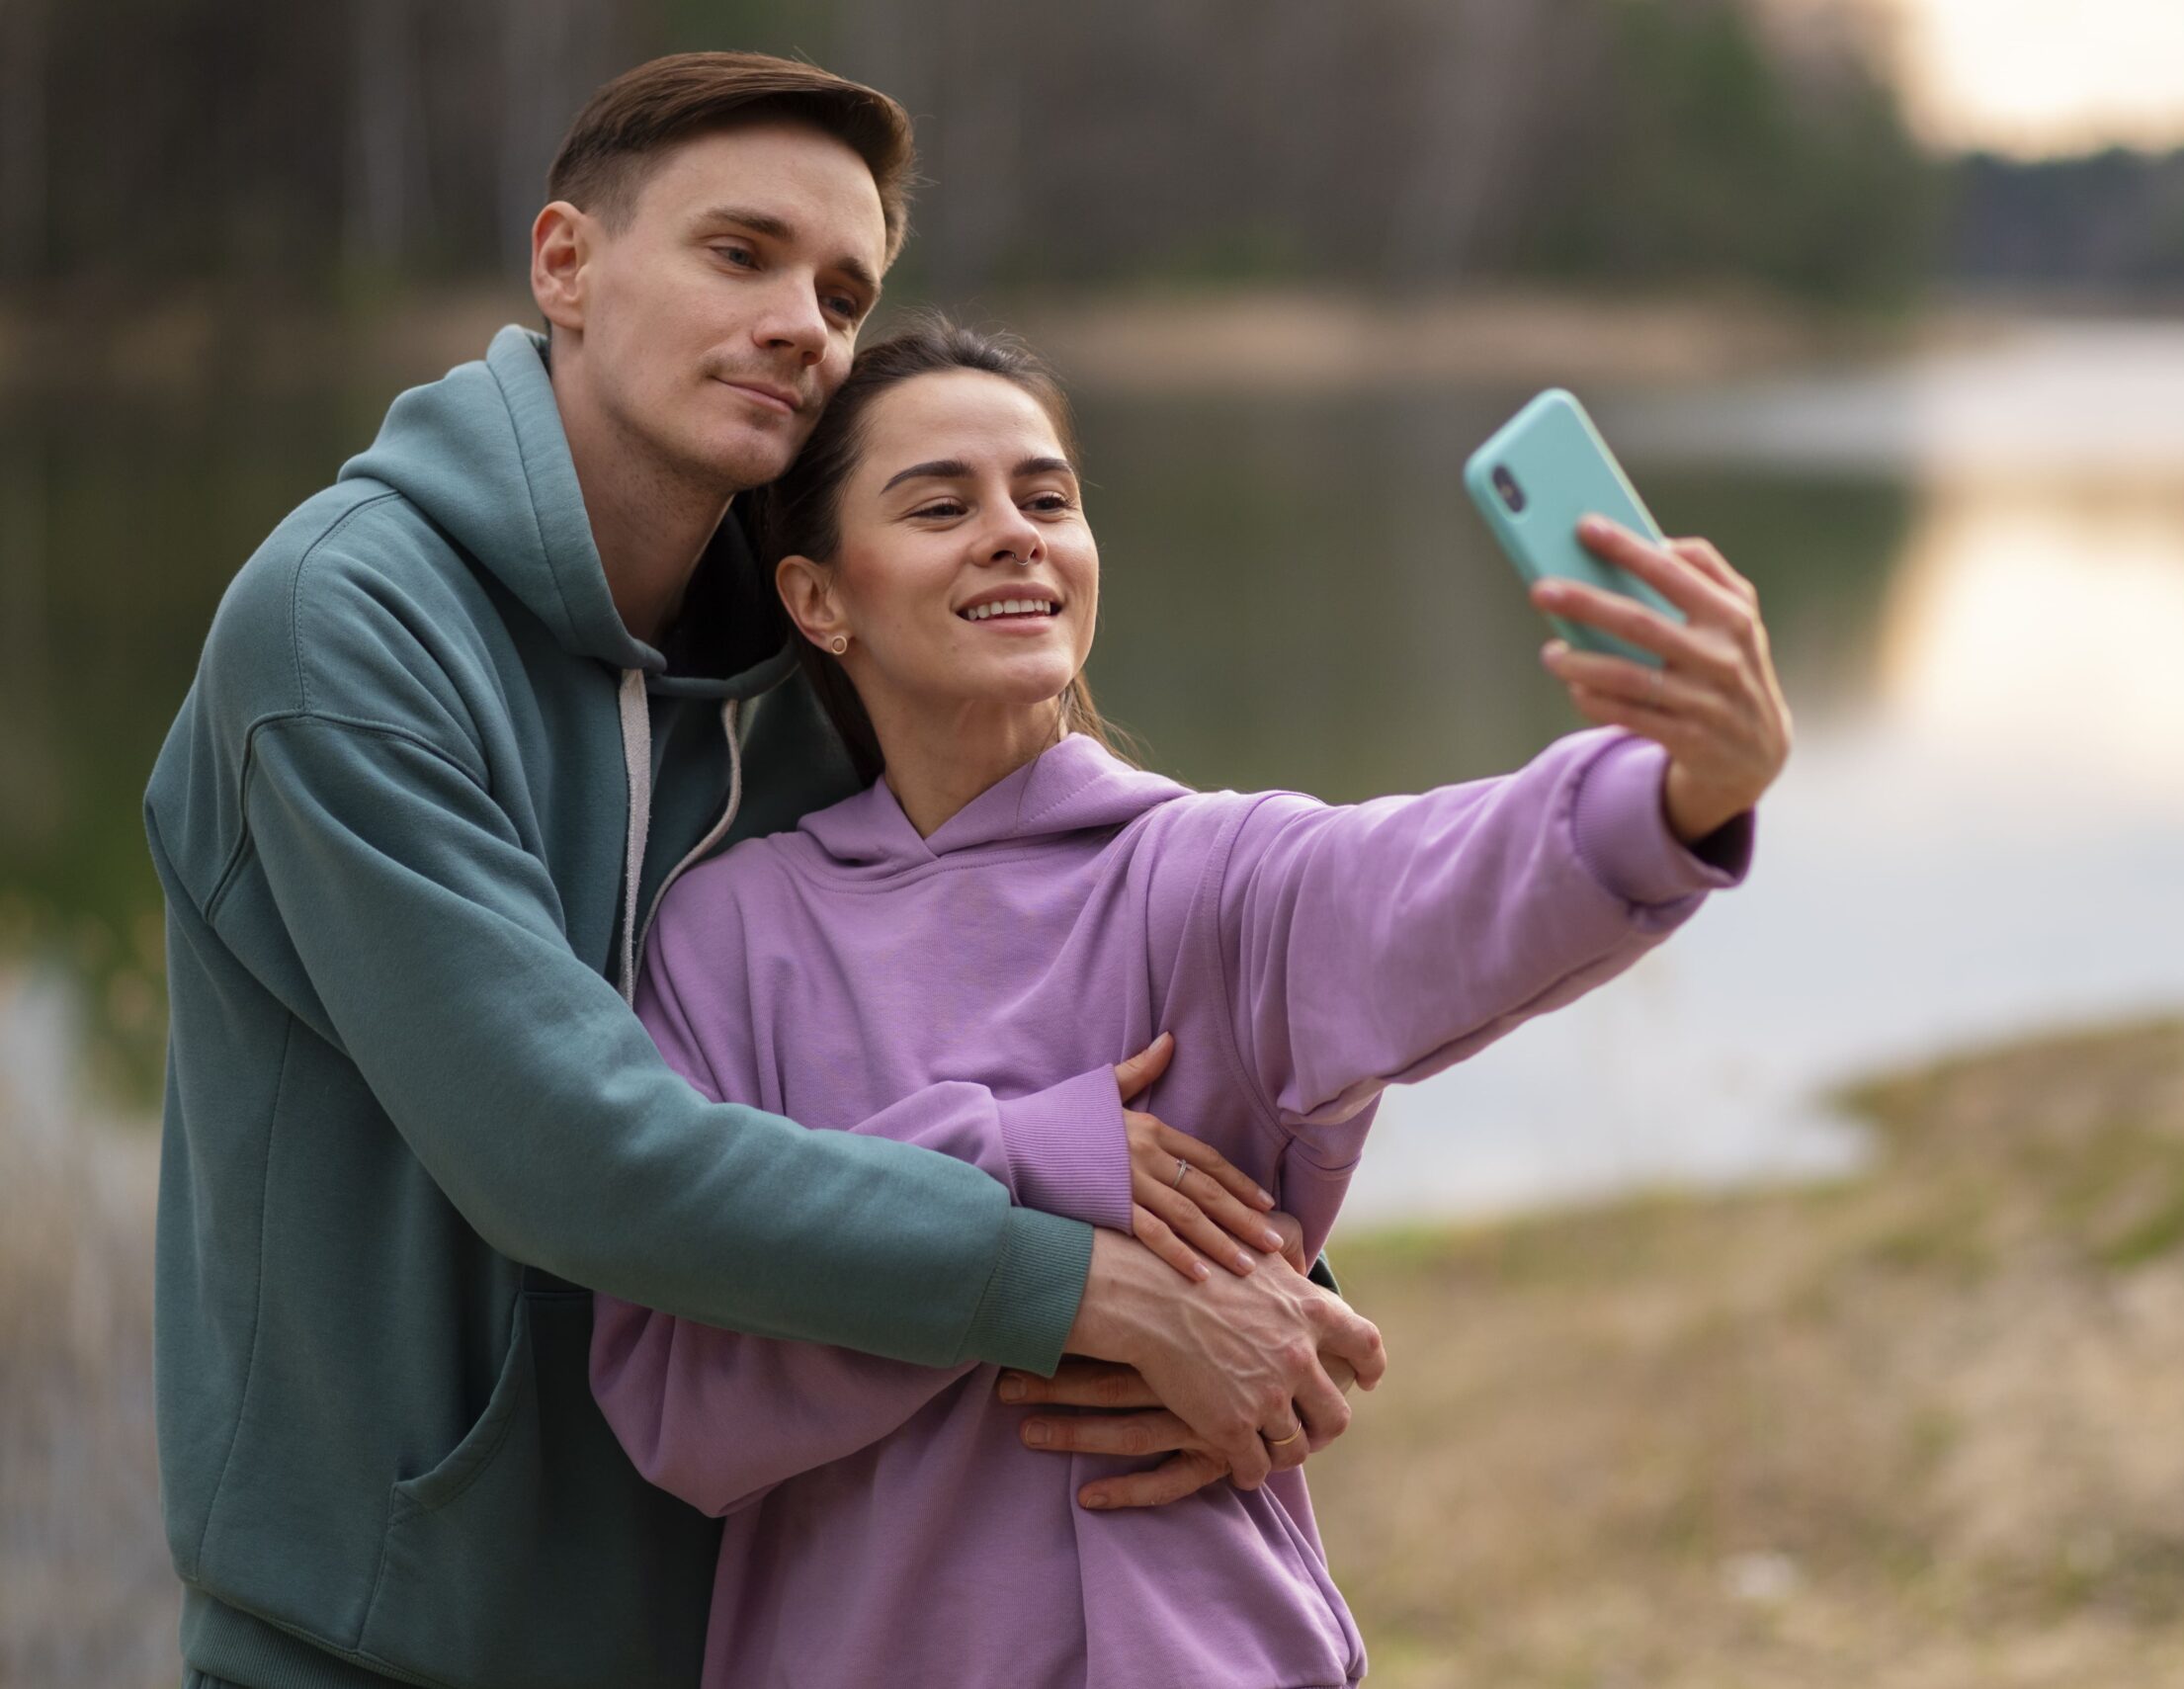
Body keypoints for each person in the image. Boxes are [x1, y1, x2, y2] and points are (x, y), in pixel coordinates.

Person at [142, 53, 1380, 1689]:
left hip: (742, 1615)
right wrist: (1083, 1288)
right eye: (742, 254)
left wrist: (1255, 1280)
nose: (806, 320)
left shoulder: (818, 644)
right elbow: (571, 1150)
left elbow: (1036, 974)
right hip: (385, 1634)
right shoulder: (344, 628)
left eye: (844, 285)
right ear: (565, 264)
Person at [587, 316, 1789, 1687]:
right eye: (941, 504)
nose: (1015, 534)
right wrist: (1033, 1169)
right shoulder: (729, 932)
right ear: (818, 599)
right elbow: (677, 1399)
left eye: (1048, 498)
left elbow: (1438, 883)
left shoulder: (1208, 877)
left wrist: (1680, 790)